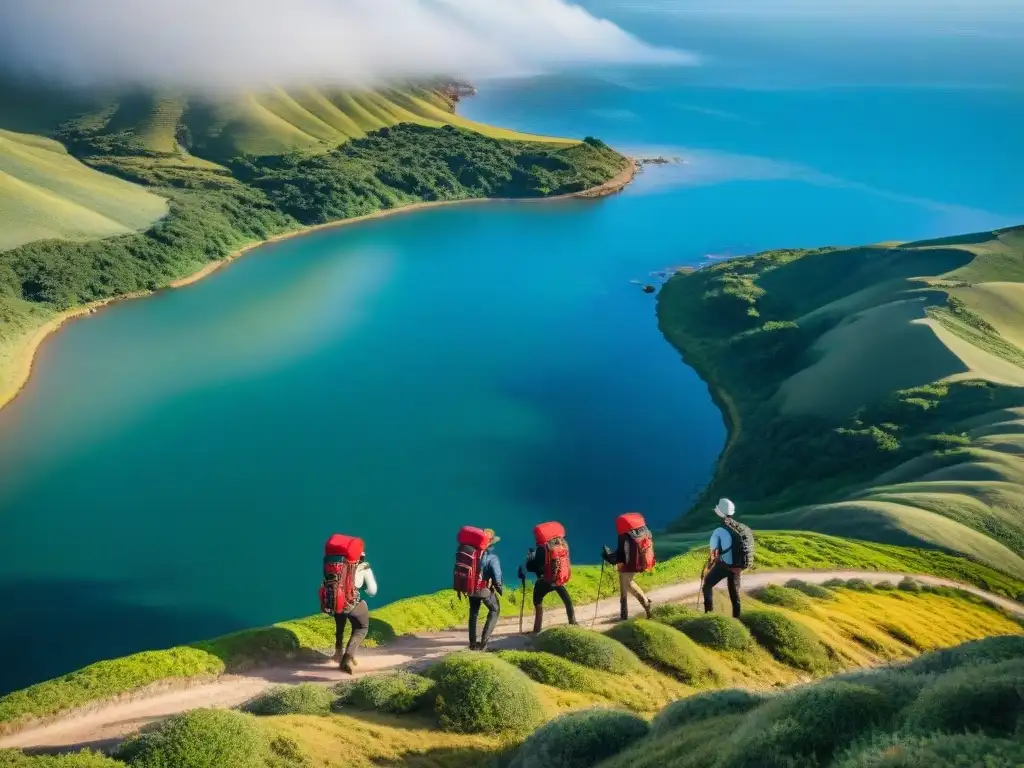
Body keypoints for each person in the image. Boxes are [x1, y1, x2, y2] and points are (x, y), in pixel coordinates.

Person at [519, 529, 576, 633]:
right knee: (567, 601)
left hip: (545, 580)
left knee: (537, 599)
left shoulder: (543, 548)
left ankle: (536, 629)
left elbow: (537, 567)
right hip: (559, 579)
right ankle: (573, 622)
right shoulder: (564, 545)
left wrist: (530, 559)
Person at [602, 512, 655, 621]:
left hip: (629, 565)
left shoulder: (625, 536)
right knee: (626, 584)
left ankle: (644, 604)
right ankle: (625, 614)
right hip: (640, 563)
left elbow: (621, 555)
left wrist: (607, 556)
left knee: (627, 584)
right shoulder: (645, 531)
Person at [334, 551, 377, 673]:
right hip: (352, 604)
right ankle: (347, 658)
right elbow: (372, 591)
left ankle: (338, 652)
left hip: (336, 603)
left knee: (340, 627)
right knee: (361, 628)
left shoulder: (336, 565)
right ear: (361, 557)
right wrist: (363, 587)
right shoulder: (364, 568)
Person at [703, 498, 742, 618]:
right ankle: (737, 619)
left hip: (725, 565)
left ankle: (709, 615)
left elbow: (713, 554)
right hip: (737, 566)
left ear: (720, 513)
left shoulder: (719, 531)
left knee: (707, 584)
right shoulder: (739, 527)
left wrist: (708, 566)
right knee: (734, 595)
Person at [469, 528, 504, 651]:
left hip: (470, 588)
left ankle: (472, 644)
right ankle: (483, 643)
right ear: (490, 543)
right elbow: (497, 576)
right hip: (483, 589)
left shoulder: (471, 553)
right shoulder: (492, 557)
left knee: (473, 612)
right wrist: (499, 589)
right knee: (495, 610)